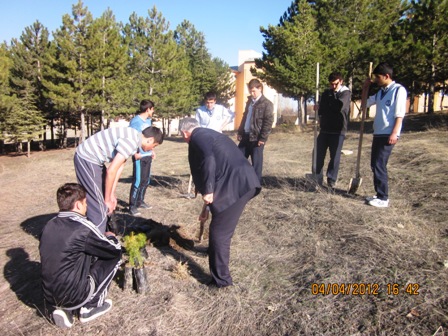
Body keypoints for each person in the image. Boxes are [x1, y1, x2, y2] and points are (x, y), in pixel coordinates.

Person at [179, 118, 261, 288]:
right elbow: (213, 167)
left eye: (182, 136)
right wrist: (206, 208)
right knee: (218, 223)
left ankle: (222, 281)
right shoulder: (207, 134)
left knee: (219, 233)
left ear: (184, 133)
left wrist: (208, 190)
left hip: (237, 185)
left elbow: (209, 160)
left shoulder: (198, 137)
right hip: (237, 182)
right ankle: (212, 253)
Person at [39, 183, 123, 328]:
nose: (86, 207)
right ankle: (91, 306)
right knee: (114, 256)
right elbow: (112, 249)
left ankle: (65, 309)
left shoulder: (49, 225)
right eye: (85, 204)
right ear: (78, 205)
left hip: (49, 295)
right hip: (75, 294)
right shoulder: (82, 227)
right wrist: (111, 237)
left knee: (76, 258)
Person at [74, 126, 163, 233]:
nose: (152, 149)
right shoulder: (131, 142)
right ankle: (97, 240)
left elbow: (119, 167)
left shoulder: (135, 138)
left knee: (103, 199)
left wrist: (111, 194)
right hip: (87, 158)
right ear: (150, 140)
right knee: (99, 204)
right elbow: (111, 171)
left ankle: (102, 233)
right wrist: (107, 200)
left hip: (95, 161)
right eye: (154, 146)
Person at [364, 62, 407, 208]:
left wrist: (394, 133)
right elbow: (365, 104)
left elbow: (399, 114)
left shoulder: (398, 90)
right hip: (378, 133)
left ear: (386, 76)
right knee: (374, 164)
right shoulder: (381, 92)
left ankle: (383, 198)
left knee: (379, 164)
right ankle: (378, 194)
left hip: (388, 133)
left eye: (377, 77)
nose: (376, 80)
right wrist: (365, 88)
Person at [314, 72, 351, 188]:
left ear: (341, 81)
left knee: (334, 156)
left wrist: (326, 104)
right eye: (331, 84)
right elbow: (321, 110)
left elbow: (338, 107)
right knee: (317, 153)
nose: (333, 87)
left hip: (338, 130)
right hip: (325, 129)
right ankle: (316, 176)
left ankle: (331, 179)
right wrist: (319, 107)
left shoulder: (346, 93)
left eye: (335, 84)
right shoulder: (326, 93)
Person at [237, 78, 274, 182]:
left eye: (254, 91)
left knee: (256, 163)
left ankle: (256, 185)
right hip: (245, 135)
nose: (252, 93)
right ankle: (241, 181)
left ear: (260, 88)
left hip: (257, 138)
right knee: (238, 158)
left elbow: (268, 122)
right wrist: (240, 131)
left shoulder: (267, 104)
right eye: (250, 91)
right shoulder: (249, 102)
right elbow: (245, 117)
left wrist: (262, 138)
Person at [128, 100, 156, 216]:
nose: (153, 111)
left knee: (146, 180)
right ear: (148, 109)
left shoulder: (149, 121)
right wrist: (135, 152)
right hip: (139, 155)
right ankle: (132, 206)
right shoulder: (135, 121)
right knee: (138, 181)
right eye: (152, 109)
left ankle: (140, 201)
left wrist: (152, 150)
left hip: (148, 155)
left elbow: (150, 139)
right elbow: (131, 137)